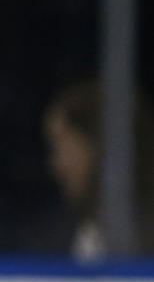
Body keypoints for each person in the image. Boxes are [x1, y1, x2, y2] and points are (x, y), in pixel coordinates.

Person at [43, 80, 154, 260]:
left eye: (61, 147)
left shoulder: (141, 244)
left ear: (97, 147)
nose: (56, 165)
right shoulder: (74, 236)